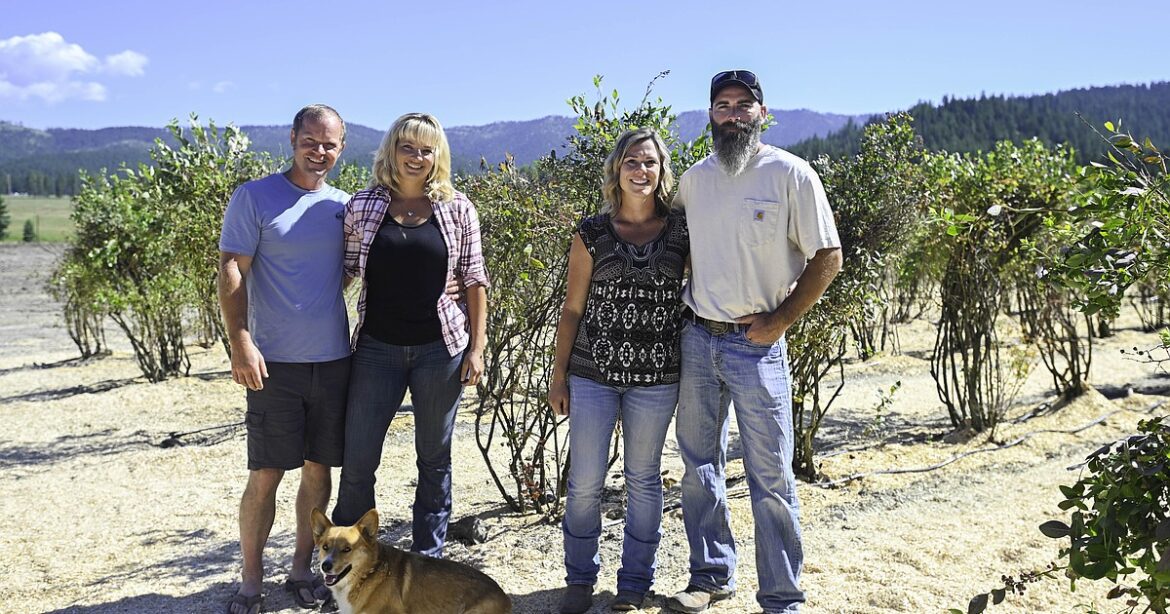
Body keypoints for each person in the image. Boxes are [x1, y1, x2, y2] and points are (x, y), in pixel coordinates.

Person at [665, 71, 843, 614]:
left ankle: (782, 598)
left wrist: (781, 320)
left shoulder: (791, 174)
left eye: (744, 105)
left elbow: (828, 255)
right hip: (698, 338)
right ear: (710, 115)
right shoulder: (693, 182)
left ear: (762, 113)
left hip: (757, 346)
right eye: (723, 105)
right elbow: (674, 246)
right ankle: (711, 575)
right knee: (699, 469)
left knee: (771, 477)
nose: (733, 114)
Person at [331, 112, 489, 560]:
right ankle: (348, 558)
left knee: (434, 458)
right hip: (376, 349)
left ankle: (427, 559)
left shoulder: (458, 208)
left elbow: (475, 279)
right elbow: (344, 271)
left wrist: (477, 349)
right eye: (408, 147)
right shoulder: (363, 205)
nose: (416, 157)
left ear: (438, 155)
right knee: (359, 460)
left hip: (440, 350)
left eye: (426, 149)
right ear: (392, 151)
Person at [548, 128, 689, 614]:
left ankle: (633, 583)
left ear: (661, 171)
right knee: (585, 481)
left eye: (650, 162)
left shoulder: (680, 231)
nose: (641, 170)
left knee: (643, 479)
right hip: (592, 375)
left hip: (658, 378)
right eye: (632, 161)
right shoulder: (591, 232)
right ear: (617, 169)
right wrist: (559, 375)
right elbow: (572, 308)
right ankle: (579, 580)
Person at [218, 104, 351, 614]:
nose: (319, 152)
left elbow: (345, 270)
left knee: (318, 470)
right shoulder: (255, 196)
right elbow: (232, 267)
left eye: (329, 144)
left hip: (334, 360)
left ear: (342, 148)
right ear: (292, 138)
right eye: (310, 141)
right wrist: (241, 340)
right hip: (272, 362)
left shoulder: (343, 205)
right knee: (266, 472)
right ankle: (251, 582)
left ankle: (301, 570)